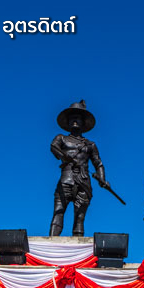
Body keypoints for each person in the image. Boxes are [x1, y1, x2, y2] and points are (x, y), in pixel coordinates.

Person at [49, 100, 108, 236]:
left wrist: (102, 179)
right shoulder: (61, 138)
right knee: (59, 211)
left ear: (83, 122)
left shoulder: (90, 144)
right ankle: (51, 242)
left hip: (84, 181)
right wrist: (65, 157)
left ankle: (78, 245)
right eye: (72, 118)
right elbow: (53, 147)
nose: (74, 121)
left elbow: (98, 163)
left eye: (78, 118)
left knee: (80, 217)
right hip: (66, 179)